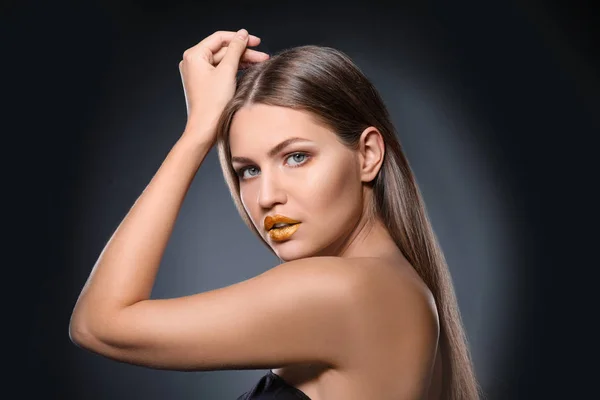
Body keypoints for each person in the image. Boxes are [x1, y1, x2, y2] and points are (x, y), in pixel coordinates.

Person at [69, 28, 481, 400]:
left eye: (296, 156)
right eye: (248, 169)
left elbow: (98, 323)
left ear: (368, 155)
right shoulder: (395, 287)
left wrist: (196, 134)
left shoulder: (343, 291)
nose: (266, 196)